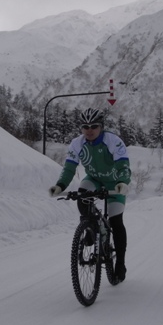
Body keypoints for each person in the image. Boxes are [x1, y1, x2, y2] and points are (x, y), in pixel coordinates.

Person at [49, 108, 131, 281]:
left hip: (114, 183)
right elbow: (70, 167)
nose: (89, 130)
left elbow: (123, 165)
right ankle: (90, 227)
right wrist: (60, 185)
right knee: (82, 194)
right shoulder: (77, 144)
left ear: (101, 127)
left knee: (116, 221)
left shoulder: (113, 141)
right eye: (85, 126)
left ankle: (120, 263)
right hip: (94, 179)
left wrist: (122, 183)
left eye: (94, 126)